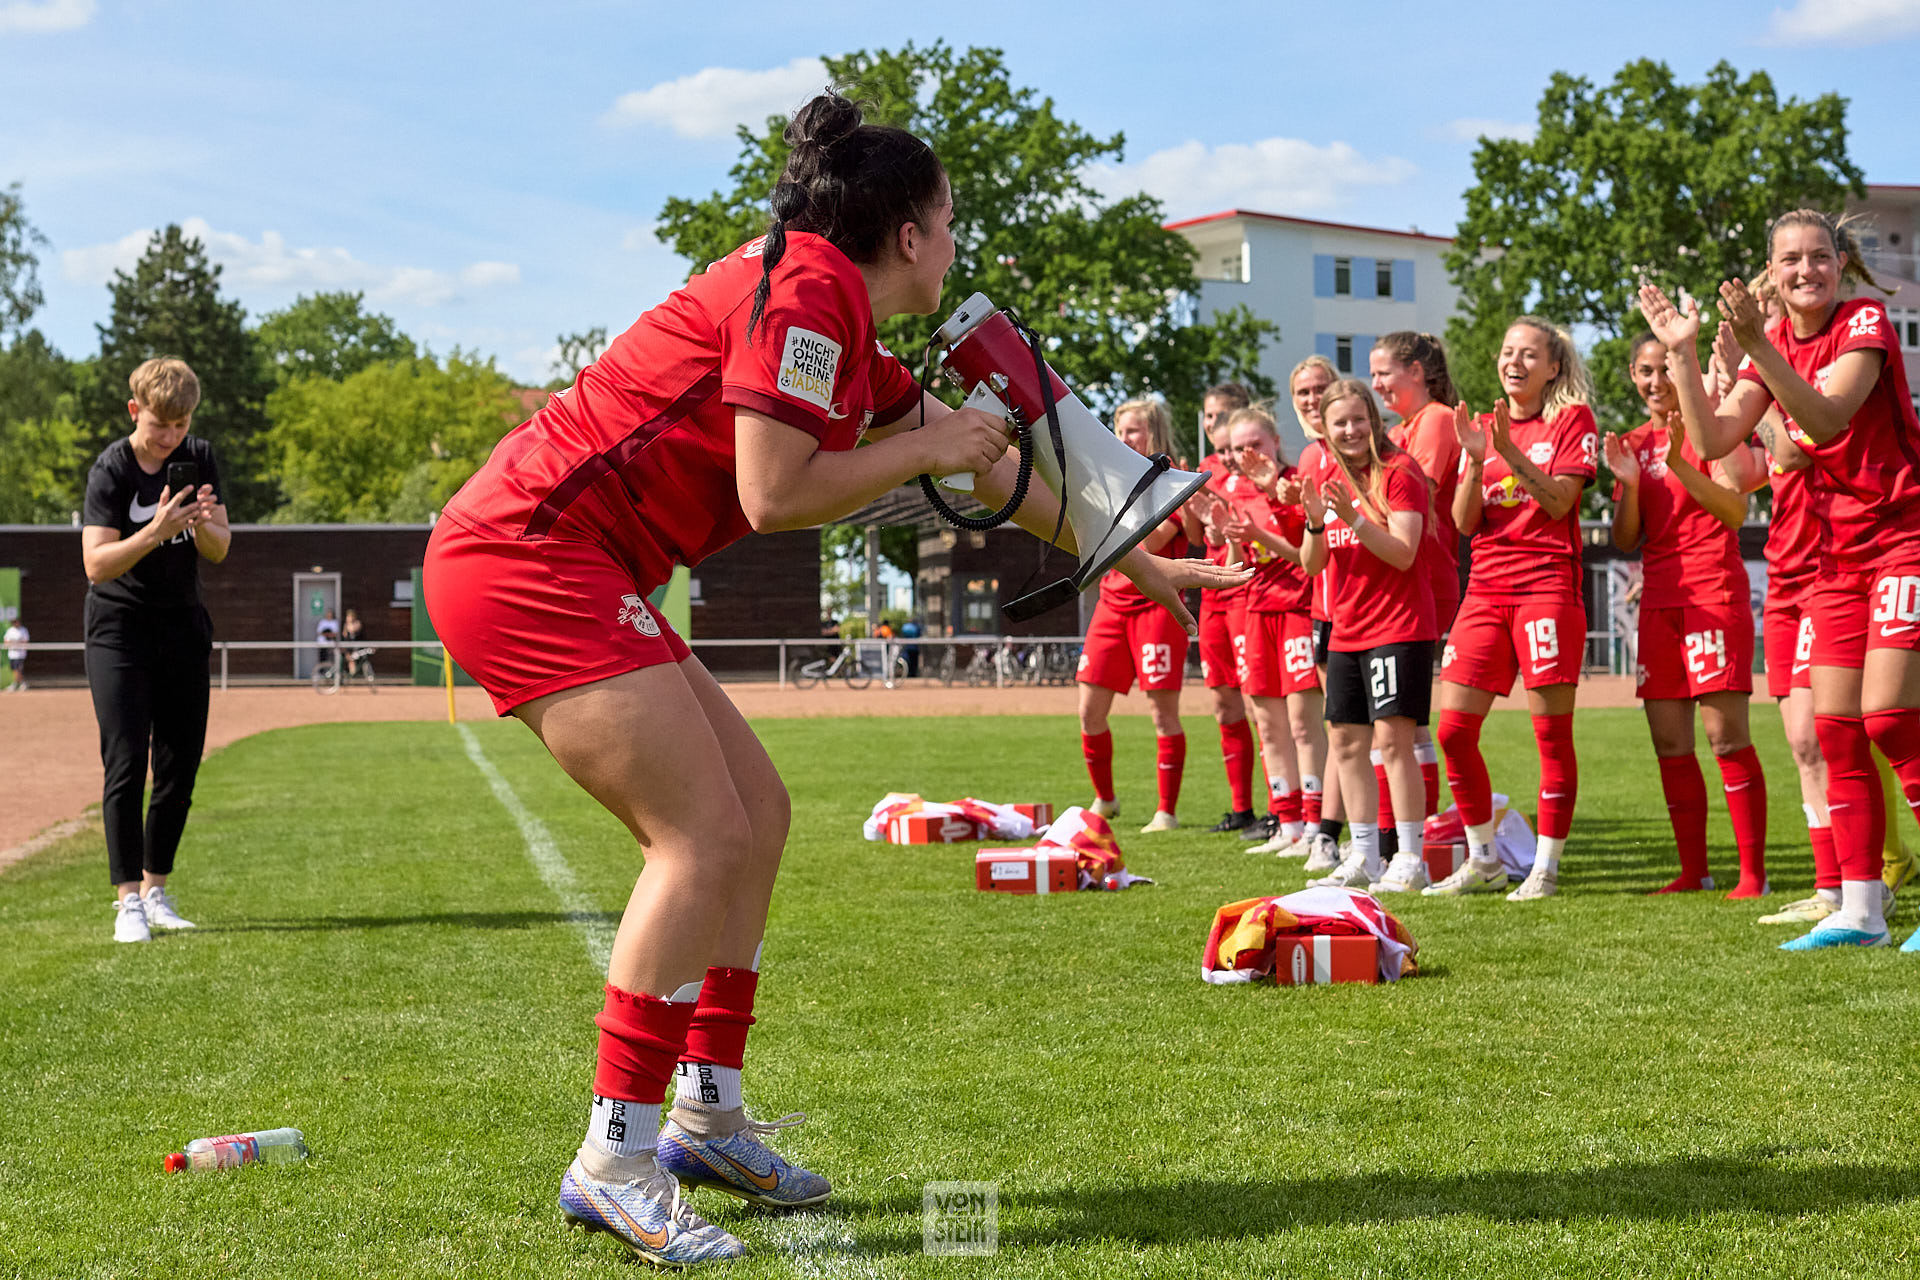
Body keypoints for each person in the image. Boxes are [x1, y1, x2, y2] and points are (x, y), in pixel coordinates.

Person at [422, 91, 1244, 1267]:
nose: (957, 239)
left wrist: (1136, 553)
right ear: (908, 233)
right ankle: (614, 1154)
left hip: (570, 554)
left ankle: (705, 1113)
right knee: (700, 833)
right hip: (526, 554)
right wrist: (928, 444)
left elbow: (995, 472)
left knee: (758, 814)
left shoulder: (837, 319)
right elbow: (775, 491)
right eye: (951, 218)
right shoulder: (805, 285)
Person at [1640, 209, 1920, 951]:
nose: (1806, 270)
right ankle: (1860, 911)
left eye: (1819, 256)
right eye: (1791, 259)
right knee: (1835, 732)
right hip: (1833, 561)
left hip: (1901, 540)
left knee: (1890, 717)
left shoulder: (1863, 322)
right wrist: (1683, 352)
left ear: (1841, 262)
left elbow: (1826, 421)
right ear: (1773, 270)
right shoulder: (1768, 349)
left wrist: (1759, 347)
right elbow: (1710, 440)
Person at [1424, 318, 1598, 902]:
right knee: (1452, 731)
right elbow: (1464, 522)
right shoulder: (1484, 426)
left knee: (1550, 733)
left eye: (1529, 354)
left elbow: (1560, 502)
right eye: (1507, 352)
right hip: (1486, 591)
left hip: (1547, 588)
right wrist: (1477, 459)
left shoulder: (1572, 420)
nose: (1514, 361)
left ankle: (1545, 868)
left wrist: (1509, 454)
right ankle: (1484, 861)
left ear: (1554, 367)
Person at [1605, 332, 1769, 896]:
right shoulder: (1628, 444)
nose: (1657, 383)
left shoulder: (1710, 431)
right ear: (1633, 374)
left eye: (1667, 370)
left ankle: (1754, 877)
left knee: (1726, 739)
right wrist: (1628, 486)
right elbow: (1627, 539)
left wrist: (1679, 459)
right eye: (1646, 371)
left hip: (1713, 595)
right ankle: (1694, 872)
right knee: (1670, 745)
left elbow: (1733, 510)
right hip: (1658, 604)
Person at [79, 356, 230, 944]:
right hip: (119, 629)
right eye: (159, 425)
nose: (170, 437)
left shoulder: (201, 456)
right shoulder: (112, 469)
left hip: (183, 627)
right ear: (134, 410)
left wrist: (202, 523)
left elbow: (218, 549)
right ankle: (125, 904)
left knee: (178, 766)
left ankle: (155, 890)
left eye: (180, 424)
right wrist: (158, 531)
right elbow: (95, 564)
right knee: (125, 764)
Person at [1294, 380, 1436, 891]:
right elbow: (1314, 566)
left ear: (1374, 421)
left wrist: (1352, 514)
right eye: (1340, 423)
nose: (1351, 431)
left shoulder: (1399, 471)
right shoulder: (1327, 475)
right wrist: (1314, 523)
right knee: (1347, 744)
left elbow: (1403, 552)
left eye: (1359, 420)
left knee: (1394, 743)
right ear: (1324, 430)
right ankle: (1364, 855)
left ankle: (1411, 858)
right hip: (1346, 630)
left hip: (1399, 627)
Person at [1075, 397, 1193, 833]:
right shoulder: (1110, 478)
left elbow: (1158, 537)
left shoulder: (1174, 480)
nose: (1124, 439)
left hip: (1158, 606)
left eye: (1133, 431)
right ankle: (1105, 799)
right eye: (1119, 431)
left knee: (1162, 713)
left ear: (1155, 435)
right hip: (1112, 602)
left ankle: (1167, 811)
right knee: (1089, 709)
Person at [1216, 405, 1327, 858]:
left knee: (1303, 723)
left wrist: (1259, 532)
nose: (1247, 454)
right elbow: (1233, 568)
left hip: (1298, 607)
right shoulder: (1234, 491)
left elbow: (1307, 555)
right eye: (1239, 447)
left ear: (1275, 442)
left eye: (1255, 444)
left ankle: (1318, 823)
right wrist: (1236, 540)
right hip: (1255, 611)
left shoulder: (1291, 486)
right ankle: (1288, 822)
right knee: (1268, 724)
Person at [1371, 332, 1462, 830]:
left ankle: (1414, 827)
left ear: (1416, 372)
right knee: (1402, 721)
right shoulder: (1405, 428)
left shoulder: (1437, 421)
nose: (1377, 383)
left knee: (1408, 720)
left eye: (1384, 372)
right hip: (1400, 581)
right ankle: (1407, 825)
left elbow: (1410, 497)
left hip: (1426, 579)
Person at [1186, 381, 1261, 834]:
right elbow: (1197, 538)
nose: (1212, 424)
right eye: (1208, 416)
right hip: (1214, 591)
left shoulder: (1253, 463)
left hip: (1251, 592)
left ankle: (1282, 811)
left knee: (1262, 704)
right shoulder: (1205, 467)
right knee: (1223, 702)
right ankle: (1242, 808)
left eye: (1221, 415)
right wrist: (1193, 503)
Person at [315, 608, 341, 682]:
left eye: (330, 614)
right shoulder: (322, 622)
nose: (329, 615)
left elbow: (335, 633)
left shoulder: (334, 622)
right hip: (322, 644)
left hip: (331, 645)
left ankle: (332, 675)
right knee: (322, 660)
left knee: (332, 660)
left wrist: (328, 634)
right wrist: (327, 634)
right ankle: (320, 674)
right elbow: (319, 632)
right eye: (328, 614)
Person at [4, 618, 26, 692]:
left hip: (20, 654)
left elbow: (25, 641)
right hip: (12, 654)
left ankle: (15, 684)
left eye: (16, 622)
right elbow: (6, 641)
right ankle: (21, 683)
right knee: (14, 669)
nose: (15, 624)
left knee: (18, 669)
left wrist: (17, 644)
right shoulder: (10, 630)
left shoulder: (23, 630)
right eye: (14, 622)